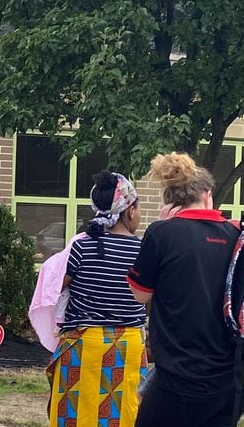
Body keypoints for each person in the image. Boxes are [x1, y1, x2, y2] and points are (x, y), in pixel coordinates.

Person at [127, 153, 244, 427]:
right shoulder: (236, 235)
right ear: (206, 194)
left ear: (170, 199)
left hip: (179, 376)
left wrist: (162, 226)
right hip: (231, 377)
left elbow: (139, 294)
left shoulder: (162, 233)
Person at [45, 171, 146, 427]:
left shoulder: (83, 246)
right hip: (127, 346)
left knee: (74, 416)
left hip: (82, 345)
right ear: (130, 211)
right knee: (123, 415)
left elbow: (58, 287)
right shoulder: (143, 250)